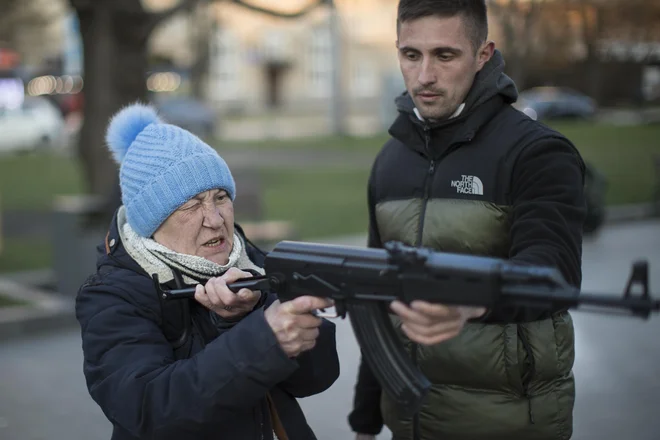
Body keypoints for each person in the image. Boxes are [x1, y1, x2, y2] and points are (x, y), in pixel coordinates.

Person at [348, 1, 586, 439]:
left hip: (511, 424)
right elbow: (378, 300)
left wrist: (472, 300)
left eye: (445, 54)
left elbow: (556, 270)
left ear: (482, 54)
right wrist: (365, 422)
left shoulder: (537, 152)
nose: (425, 77)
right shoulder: (390, 161)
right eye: (411, 55)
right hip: (410, 424)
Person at [75, 103, 340, 440]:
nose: (215, 219)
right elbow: (149, 408)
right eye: (191, 204)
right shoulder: (112, 295)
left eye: (220, 197)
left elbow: (316, 378)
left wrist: (246, 316)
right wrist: (261, 338)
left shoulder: (249, 262)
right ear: (151, 222)